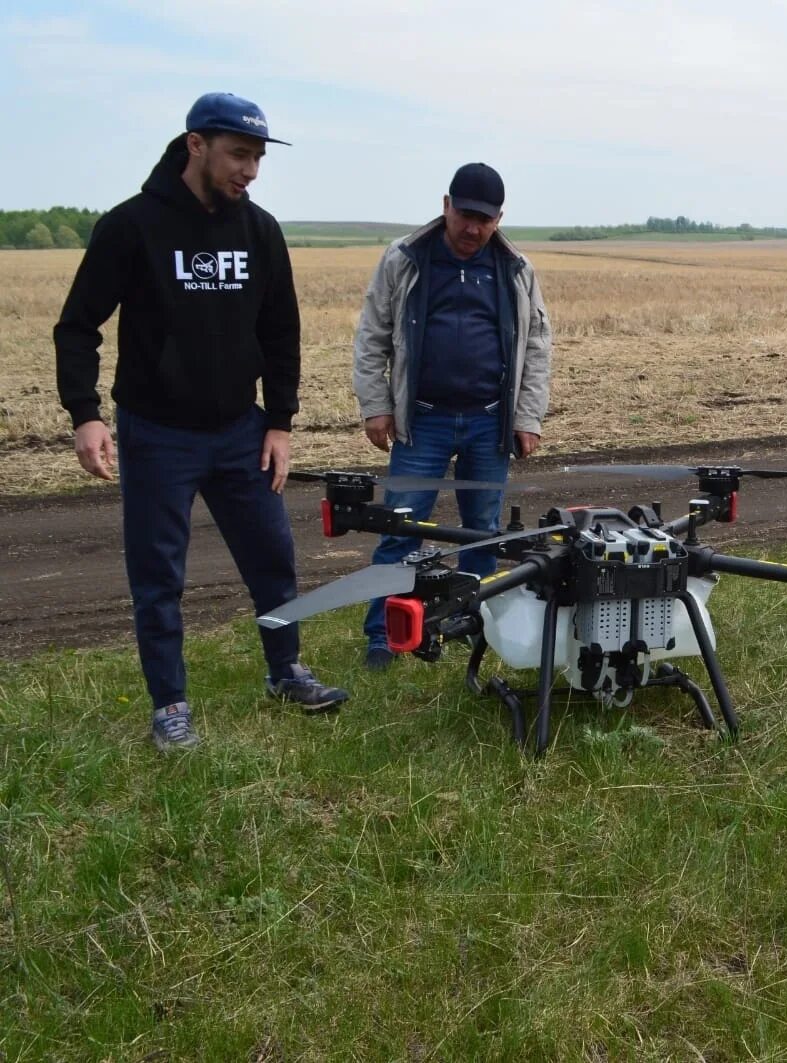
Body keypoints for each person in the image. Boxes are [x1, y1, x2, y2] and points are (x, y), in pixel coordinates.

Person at [54, 92, 349, 751]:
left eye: (258, 158)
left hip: (240, 429)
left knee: (273, 556)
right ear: (196, 145)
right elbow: (77, 327)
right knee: (158, 576)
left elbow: (282, 333)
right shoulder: (132, 227)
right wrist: (86, 415)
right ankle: (170, 706)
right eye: (239, 155)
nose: (250, 170)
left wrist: (279, 422)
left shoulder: (260, 231)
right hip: (156, 432)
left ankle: (286, 670)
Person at [352, 163, 553, 670]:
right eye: (464, 215)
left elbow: (537, 347)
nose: (472, 229)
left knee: (481, 531)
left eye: (484, 220)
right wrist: (376, 406)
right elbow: (372, 335)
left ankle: (473, 622)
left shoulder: (516, 269)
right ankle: (384, 634)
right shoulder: (405, 259)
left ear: (499, 218)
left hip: (490, 423)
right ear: (446, 205)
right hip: (422, 423)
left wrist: (526, 416)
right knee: (401, 529)